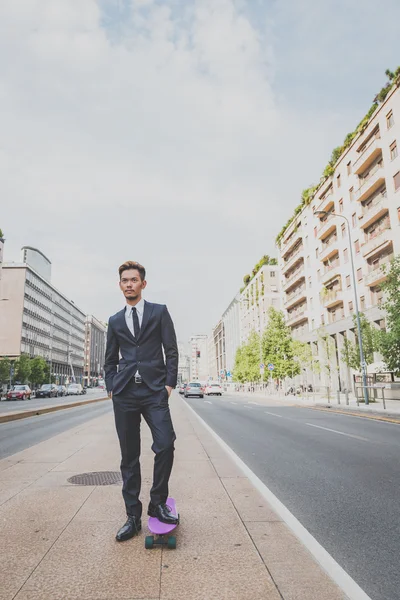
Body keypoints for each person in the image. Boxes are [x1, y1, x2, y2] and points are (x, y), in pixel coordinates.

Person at [104, 261, 179, 542]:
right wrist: (110, 385)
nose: (129, 284)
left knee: (165, 444)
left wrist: (169, 383)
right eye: (125, 280)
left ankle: (157, 502)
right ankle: (132, 517)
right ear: (120, 284)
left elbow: (171, 350)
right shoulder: (114, 320)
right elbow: (110, 358)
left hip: (153, 391)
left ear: (143, 284)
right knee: (129, 457)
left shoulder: (159, 312)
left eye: (134, 280)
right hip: (124, 393)